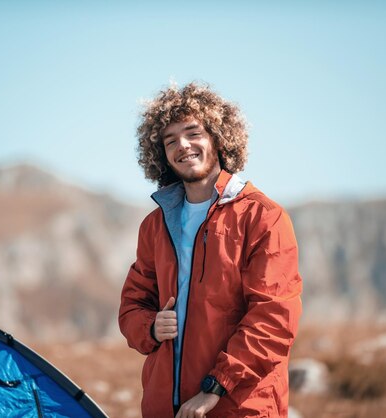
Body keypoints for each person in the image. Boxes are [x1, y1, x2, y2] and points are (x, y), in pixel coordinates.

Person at [119, 82, 302, 418]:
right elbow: (132, 305)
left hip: (239, 406)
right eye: (170, 140)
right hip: (166, 408)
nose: (182, 146)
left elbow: (273, 319)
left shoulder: (263, 217)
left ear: (218, 138)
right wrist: (150, 326)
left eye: (193, 133)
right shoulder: (155, 225)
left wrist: (214, 389)